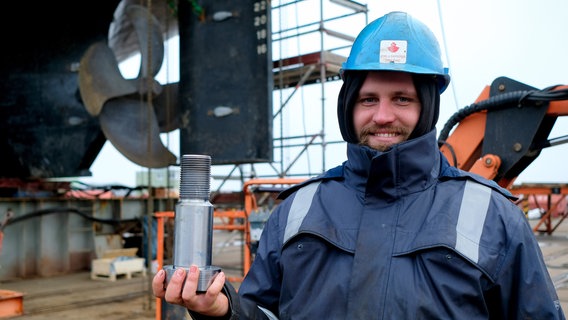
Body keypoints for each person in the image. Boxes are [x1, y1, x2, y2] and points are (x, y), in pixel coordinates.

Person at [153, 11, 565, 319]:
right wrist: (222, 310)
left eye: (401, 99)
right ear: (349, 107)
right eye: (369, 99)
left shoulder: (494, 216)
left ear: (426, 108)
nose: (383, 115)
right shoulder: (296, 210)